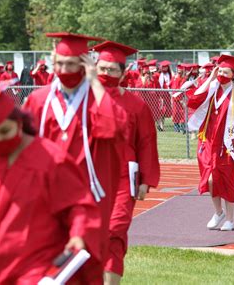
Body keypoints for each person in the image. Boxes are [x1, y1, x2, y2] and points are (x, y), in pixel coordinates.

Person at [22, 32, 128, 283]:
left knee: (86, 265)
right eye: (59, 63)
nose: (64, 69)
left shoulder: (97, 98)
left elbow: (113, 128)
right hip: (46, 198)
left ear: (84, 64)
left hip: (87, 199)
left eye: (70, 64)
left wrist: (94, 81)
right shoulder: (40, 100)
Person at [0, 91, 101, 284]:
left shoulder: (51, 160)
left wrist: (79, 234)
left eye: (5, 131)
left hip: (36, 265)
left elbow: (79, 205)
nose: (0, 140)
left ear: (20, 123)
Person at [92, 41, 160, 285]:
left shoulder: (136, 105)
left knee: (114, 232)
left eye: (112, 70)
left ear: (122, 73)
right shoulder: (85, 101)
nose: (106, 74)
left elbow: (146, 143)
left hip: (124, 178)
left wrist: (146, 180)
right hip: (90, 178)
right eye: (102, 68)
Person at [187, 54, 234, 231]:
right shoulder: (212, 89)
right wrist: (210, 78)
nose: (221, 74)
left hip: (229, 144)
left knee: (227, 181)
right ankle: (218, 212)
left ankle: (230, 219)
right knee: (209, 180)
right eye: (219, 71)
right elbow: (193, 101)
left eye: (225, 71)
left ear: (233, 74)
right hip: (208, 142)